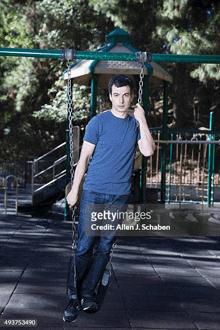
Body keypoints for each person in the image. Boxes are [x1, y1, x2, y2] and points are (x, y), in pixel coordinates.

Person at [63, 74, 155, 322]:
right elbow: (83, 160)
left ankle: (88, 295)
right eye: (116, 95)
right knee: (84, 246)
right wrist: (74, 190)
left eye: (126, 95)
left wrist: (143, 119)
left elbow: (147, 150)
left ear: (132, 96)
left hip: (119, 195)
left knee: (104, 248)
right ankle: (73, 297)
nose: (121, 100)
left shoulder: (136, 124)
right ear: (110, 96)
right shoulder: (98, 123)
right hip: (94, 191)